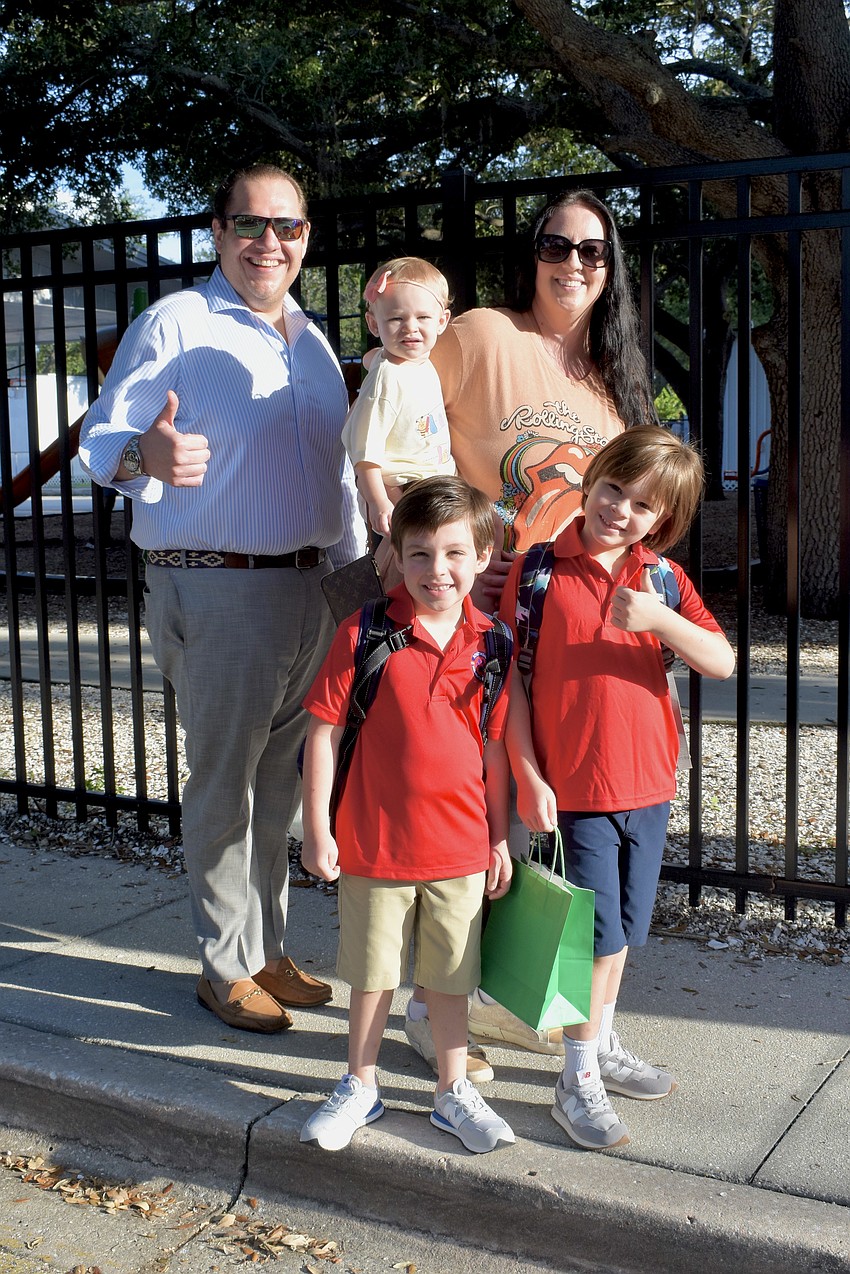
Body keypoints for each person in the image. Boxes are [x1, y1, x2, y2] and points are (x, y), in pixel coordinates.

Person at [78, 163, 364, 1034]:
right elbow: (102, 439)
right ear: (218, 231)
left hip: (311, 586)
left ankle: (266, 950)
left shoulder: (312, 342)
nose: (268, 243)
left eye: (288, 227)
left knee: (277, 785)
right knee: (225, 787)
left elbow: (338, 475)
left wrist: (354, 585)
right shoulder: (177, 321)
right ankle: (223, 963)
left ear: (307, 237)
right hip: (215, 584)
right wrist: (145, 459)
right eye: (250, 225)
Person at [406, 187, 657, 1064]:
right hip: (478, 629)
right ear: (534, 252)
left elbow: (638, 510)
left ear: (611, 265)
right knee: (475, 816)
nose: (574, 264)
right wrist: (459, 554)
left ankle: (574, 1017)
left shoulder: (619, 380)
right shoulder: (479, 335)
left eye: (593, 250)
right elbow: (400, 428)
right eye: (558, 244)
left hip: (579, 643)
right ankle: (433, 1003)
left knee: (554, 830)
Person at [500, 425, 735, 1151]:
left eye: (643, 506)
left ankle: (598, 1041)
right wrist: (527, 773)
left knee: (625, 930)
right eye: (614, 491)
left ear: (662, 520)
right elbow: (509, 682)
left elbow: (721, 661)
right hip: (575, 786)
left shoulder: (661, 578)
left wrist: (660, 617)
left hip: (649, 781)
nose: (621, 511)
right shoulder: (538, 570)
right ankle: (576, 1076)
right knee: (590, 934)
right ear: (592, 479)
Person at [298, 476, 516, 1154]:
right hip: (374, 844)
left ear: (483, 555)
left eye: (454, 553)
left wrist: (500, 838)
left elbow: (495, 749)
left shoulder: (494, 643)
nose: (436, 570)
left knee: (451, 979)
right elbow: (323, 733)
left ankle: (453, 1091)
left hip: (459, 848)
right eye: (417, 554)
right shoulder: (365, 629)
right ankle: (360, 1083)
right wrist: (316, 828)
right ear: (393, 555)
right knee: (372, 977)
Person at [342, 257, 454, 536]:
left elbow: (373, 357)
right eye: (396, 318)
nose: (411, 328)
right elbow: (365, 455)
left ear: (442, 321)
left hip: (433, 487)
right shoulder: (387, 379)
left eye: (423, 317)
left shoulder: (418, 362)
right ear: (374, 324)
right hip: (401, 496)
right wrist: (378, 502)